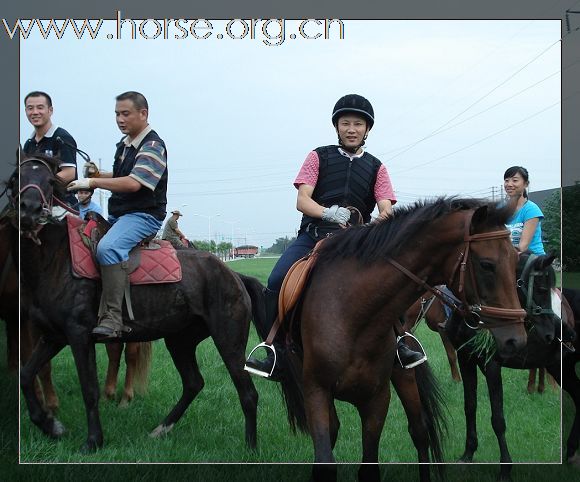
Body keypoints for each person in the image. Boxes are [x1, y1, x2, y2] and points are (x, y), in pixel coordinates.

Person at [245, 94, 426, 379]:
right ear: (337, 127)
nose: (351, 128)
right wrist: (328, 213)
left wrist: (377, 224)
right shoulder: (318, 156)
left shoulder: (377, 167)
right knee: (277, 278)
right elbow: (302, 200)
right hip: (314, 235)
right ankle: (274, 351)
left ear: (367, 129)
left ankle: (401, 343)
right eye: (345, 123)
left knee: (393, 279)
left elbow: (386, 208)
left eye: (358, 124)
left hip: (357, 242)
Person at [67, 91, 168, 340]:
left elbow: (135, 183)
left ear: (143, 114)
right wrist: (99, 174)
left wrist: (92, 182)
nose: (120, 119)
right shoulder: (125, 146)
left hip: (143, 216)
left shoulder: (153, 146)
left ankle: (113, 318)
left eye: (125, 113)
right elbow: (122, 174)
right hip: (121, 216)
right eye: (116, 114)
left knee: (107, 249)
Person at [503, 165, 574, 349]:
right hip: (509, 260)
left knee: (543, 301)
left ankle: (563, 334)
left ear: (525, 184)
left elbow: (523, 245)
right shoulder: (502, 210)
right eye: (507, 180)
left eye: (515, 180)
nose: (509, 184)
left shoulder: (531, 209)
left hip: (533, 262)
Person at [23, 91, 78, 207]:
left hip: (62, 204)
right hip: (35, 203)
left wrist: (40, 185)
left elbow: (69, 173)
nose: (35, 112)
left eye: (40, 108)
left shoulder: (62, 138)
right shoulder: (29, 143)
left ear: (50, 110)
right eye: (30, 108)